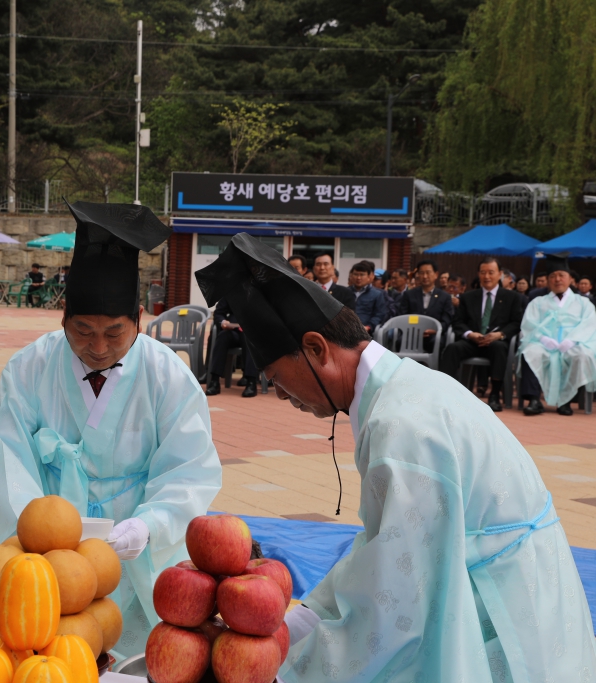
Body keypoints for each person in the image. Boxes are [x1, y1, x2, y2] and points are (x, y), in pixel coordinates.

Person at [194, 234, 596, 682]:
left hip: (506, 613)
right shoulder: (405, 386)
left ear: (316, 348)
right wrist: (306, 618)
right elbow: (386, 546)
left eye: (277, 379)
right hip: (521, 586)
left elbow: (399, 600)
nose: (282, 394)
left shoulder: (400, 427)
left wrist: (288, 661)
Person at [0, 202, 221, 658]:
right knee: (40, 644)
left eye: (115, 332)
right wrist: (42, 539)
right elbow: (3, 455)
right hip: (48, 548)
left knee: (133, 648)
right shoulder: (29, 368)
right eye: (83, 331)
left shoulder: (166, 374)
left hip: (133, 541)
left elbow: (188, 469)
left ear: (141, 318)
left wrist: (149, 526)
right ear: (62, 318)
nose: (99, 348)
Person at [440, 257, 523, 412]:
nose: (487, 277)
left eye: (491, 272)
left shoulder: (512, 297)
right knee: (452, 348)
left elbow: (517, 323)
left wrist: (499, 334)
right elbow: (458, 322)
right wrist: (470, 334)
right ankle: (445, 392)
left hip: (496, 341)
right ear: (478, 274)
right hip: (473, 341)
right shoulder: (468, 297)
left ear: (500, 275)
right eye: (483, 273)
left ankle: (494, 395)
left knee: (499, 348)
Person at [519, 256, 596, 416]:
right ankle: (533, 399)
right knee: (530, 352)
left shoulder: (583, 303)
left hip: (573, 344)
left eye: (561, 275)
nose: (557, 279)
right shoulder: (538, 302)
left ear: (570, 279)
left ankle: (566, 401)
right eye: (552, 276)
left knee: (582, 355)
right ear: (548, 280)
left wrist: (572, 340)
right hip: (545, 344)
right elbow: (529, 324)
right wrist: (543, 339)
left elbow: (590, 324)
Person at [205, 298, 260, 397]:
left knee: (249, 340)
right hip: (234, 330)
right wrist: (223, 322)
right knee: (222, 337)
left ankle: (251, 382)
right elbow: (218, 313)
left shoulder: (258, 292)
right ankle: (214, 381)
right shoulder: (231, 292)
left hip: (251, 331)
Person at [397, 259, 454, 348]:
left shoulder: (444, 297)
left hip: (434, 335)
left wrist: (434, 330)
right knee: (400, 341)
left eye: (428, 272)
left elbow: (446, 320)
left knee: (437, 342)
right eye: (421, 273)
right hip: (412, 333)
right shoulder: (409, 295)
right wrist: (415, 330)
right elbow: (402, 316)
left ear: (436, 274)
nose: (425, 276)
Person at [349, 261, 389, 333]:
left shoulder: (377, 294)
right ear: (351, 276)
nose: (358, 278)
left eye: (362, 275)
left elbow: (379, 315)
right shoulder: (345, 292)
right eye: (355, 274)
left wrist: (369, 327)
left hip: (367, 332)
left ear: (369, 277)